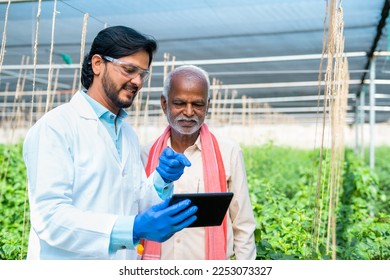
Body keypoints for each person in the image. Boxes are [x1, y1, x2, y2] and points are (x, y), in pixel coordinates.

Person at [23, 26, 198, 260]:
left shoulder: (127, 133)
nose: (137, 81)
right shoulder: (55, 127)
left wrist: (161, 179)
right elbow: (50, 218)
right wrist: (132, 229)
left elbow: (131, 205)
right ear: (97, 64)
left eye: (142, 74)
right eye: (129, 70)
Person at [141, 65, 256, 260]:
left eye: (198, 104)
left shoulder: (228, 152)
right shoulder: (144, 154)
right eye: (179, 103)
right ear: (164, 104)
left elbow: (242, 224)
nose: (188, 112)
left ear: (208, 105)